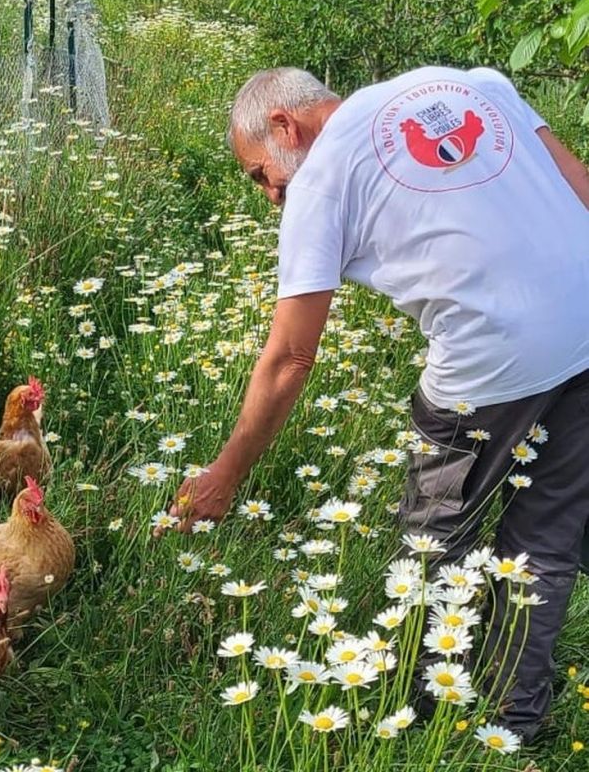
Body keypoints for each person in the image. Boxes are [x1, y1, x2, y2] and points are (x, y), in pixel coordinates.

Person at [164, 66, 589, 741]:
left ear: (283, 126)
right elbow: (582, 188)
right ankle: (516, 723)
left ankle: (416, 717)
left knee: (434, 538)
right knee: (545, 536)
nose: (271, 197)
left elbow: (288, 361)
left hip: (490, 351)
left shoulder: (320, 175)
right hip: (585, 325)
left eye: (258, 175)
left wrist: (224, 476)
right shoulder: (471, 82)